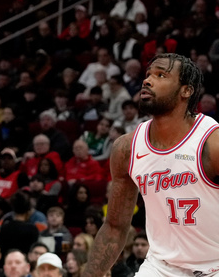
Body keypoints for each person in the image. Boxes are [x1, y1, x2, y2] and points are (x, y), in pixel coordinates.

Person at [84, 53, 219, 277]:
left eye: (161, 75)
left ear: (186, 90)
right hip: (160, 266)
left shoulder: (211, 143)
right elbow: (115, 227)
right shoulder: (127, 148)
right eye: (148, 75)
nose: (147, 80)